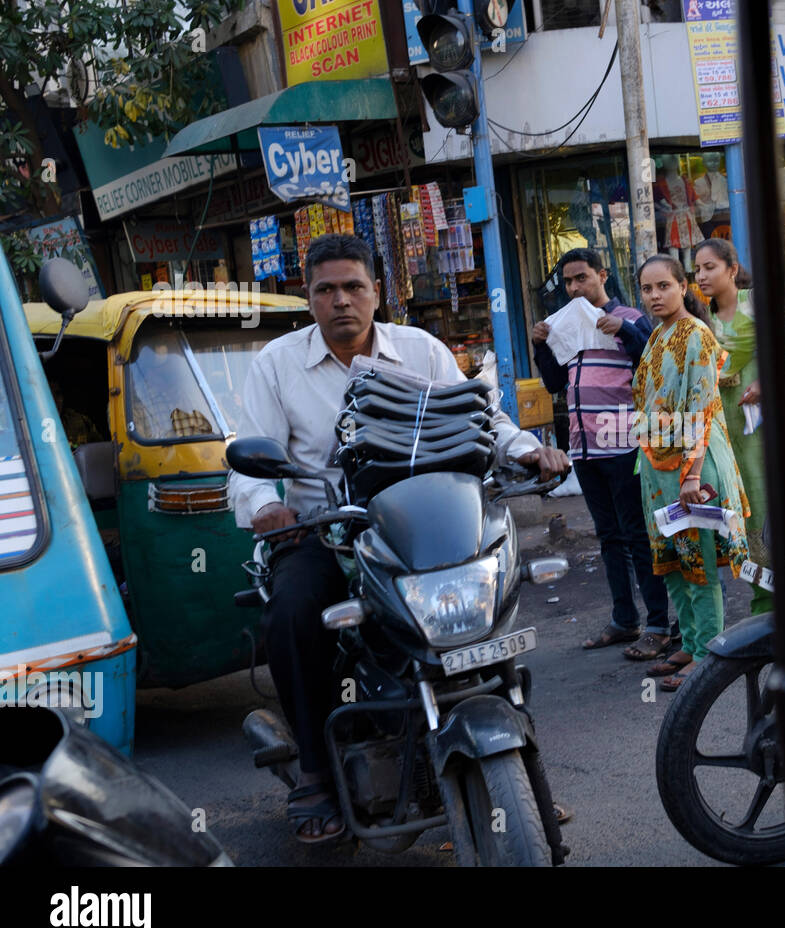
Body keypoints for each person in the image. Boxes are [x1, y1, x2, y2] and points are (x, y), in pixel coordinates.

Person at [229, 234, 570, 843]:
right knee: (293, 611)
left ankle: (519, 765)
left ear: (377, 293)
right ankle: (313, 770)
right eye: (326, 289)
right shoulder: (276, 365)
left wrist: (530, 449)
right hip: (328, 531)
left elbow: (483, 417)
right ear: (307, 297)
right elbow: (247, 459)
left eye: (353, 287)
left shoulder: (421, 349)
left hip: (425, 525)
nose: (341, 301)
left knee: (495, 593)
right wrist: (265, 507)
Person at [531, 248, 674, 659]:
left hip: (624, 444)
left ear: (602, 275)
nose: (575, 287)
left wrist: (623, 332)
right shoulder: (564, 325)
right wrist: (541, 345)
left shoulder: (630, 317)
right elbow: (556, 382)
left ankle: (659, 624)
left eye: (582, 278)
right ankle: (624, 620)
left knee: (637, 535)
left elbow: (654, 360)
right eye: (569, 282)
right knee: (609, 538)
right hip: (584, 448)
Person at [633, 255, 750, 692]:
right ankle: (690, 642)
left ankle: (706, 654)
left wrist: (691, 476)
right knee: (672, 561)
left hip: (691, 465)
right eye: (647, 289)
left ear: (684, 287)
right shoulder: (657, 335)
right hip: (657, 464)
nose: (655, 296)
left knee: (697, 560)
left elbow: (701, 408)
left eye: (664, 286)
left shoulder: (696, 334)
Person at [692, 237, 785, 614]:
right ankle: (764, 604)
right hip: (725, 437)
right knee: (742, 522)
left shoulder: (757, 306)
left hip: (768, 433)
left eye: (709, 267)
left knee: (775, 513)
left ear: (732, 268)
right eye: (696, 269)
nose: (702, 275)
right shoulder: (699, 320)